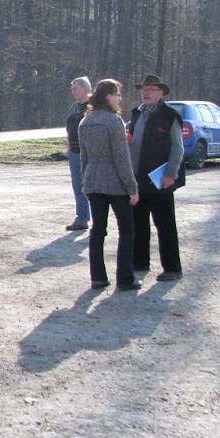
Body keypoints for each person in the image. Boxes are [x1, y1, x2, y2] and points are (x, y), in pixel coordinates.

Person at [78, 79, 141, 291]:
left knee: (98, 230)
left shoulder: (85, 122)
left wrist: (85, 183)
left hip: (93, 181)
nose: (119, 98)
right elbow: (122, 159)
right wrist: (132, 188)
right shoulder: (114, 122)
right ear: (108, 96)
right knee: (127, 229)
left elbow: (83, 158)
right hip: (114, 183)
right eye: (117, 94)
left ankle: (97, 277)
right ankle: (125, 278)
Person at [128, 74, 184, 282]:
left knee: (165, 225)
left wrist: (171, 174)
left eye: (151, 90)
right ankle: (140, 262)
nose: (146, 93)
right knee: (138, 223)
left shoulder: (169, 115)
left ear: (161, 93)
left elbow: (177, 148)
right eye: (143, 89)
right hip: (137, 179)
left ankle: (172, 268)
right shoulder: (136, 114)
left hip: (160, 180)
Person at [66, 76, 92, 231]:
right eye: (72, 89)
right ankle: (82, 217)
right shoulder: (75, 107)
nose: (72, 91)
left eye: (75, 88)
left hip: (88, 152)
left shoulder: (94, 106)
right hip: (74, 151)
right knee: (78, 185)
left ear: (86, 88)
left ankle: (94, 217)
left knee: (91, 186)